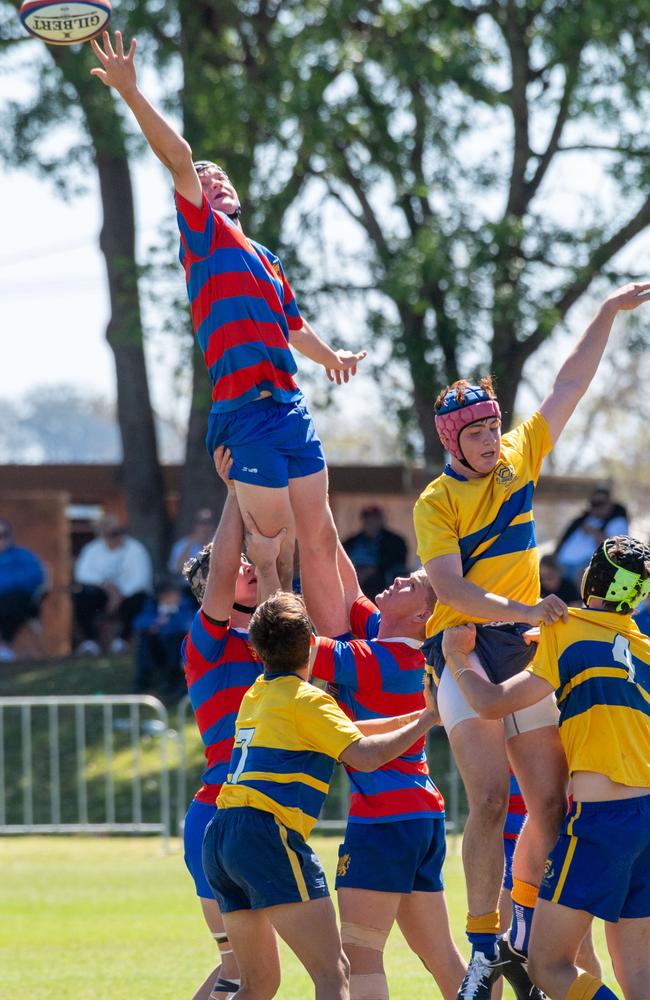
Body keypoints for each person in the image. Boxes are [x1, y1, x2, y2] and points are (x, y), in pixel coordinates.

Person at [412, 281, 650, 999]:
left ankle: (523, 930)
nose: (491, 439)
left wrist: (606, 311)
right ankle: (483, 944)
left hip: (523, 636)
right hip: (461, 646)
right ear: (453, 442)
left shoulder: (519, 456)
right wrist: (523, 607)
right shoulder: (436, 500)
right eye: (476, 433)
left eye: (493, 428)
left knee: (549, 807)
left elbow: (569, 382)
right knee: (487, 799)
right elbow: (449, 590)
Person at [90, 31, 366, 638]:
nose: (214, 182)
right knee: (269, 556)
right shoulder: (203, 236)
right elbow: (179, 156)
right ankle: (285, 676)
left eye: (224, 180)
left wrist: (330, 358)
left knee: (315, 542)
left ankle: (339, 656)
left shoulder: (264, 255)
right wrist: (132, 95)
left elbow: (293, 325)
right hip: (242, 413)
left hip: (289, 406)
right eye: (203, 180)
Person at [201, 588, 440, 1000]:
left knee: (257, 986)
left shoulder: (257, 694)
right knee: (334, 973)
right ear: (312, 645)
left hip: (221, 837)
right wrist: (429, 719)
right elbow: (365, 756)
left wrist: (424, 716)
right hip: (265, 835)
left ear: (258, 652)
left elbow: (345, 734)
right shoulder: (308, 701)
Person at [441, 535, 650, 1000]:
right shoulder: (644, 648)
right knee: (639, 976)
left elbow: (491, 703)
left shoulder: (566, 629)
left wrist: (457, 656)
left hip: (602, 822)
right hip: (647, 816)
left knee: (548, 966)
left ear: (590, 577)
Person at [308, 543, 466, 999]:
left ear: (421, 617)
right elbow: (348, 584)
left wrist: (268, 567)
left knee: (360, 953)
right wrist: (316, 514)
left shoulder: (376, 659)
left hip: (385, 817)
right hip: (420, 815)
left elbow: (291, 646)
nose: (397, 580)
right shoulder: (389, 640)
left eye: (411, 585)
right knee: (441, 956)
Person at [181, 448, 284, 1000]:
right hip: (218, 816)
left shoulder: (267, 645)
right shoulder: (206, 642)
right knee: (249, 976)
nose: (240, 564)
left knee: (239, 975)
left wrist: (267, 562)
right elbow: (222, 567)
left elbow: (282, 617)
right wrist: (233, 493)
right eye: (233, 565)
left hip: (247, 817)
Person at [72, 515, 153, 656]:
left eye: (118, 532)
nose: (115, 537)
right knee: (81, 597)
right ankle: (90, 641)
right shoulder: (92, 549)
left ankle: (122, 641)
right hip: (103, 593)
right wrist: (106, 586)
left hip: (128, 594)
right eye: (110, 533)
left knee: (138, 600)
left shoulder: (135, 549)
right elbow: (82, 574)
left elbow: (141, 579)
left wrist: (120, 595)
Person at [131, 581, 196, 696]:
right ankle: (143, 680)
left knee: (175, 639)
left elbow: (187, 624)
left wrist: (163, 626)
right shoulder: (152, 606)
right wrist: (154, 623)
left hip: (175, 649)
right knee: (145, 640)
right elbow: (138, 622)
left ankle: (172, 681)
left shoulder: (185, 605)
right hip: (157, 648)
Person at [556, 486, 629, 587]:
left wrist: (593, 531)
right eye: (593, 504)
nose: (596, 507)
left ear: (610, 503)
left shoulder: (617, 521)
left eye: (600, 503)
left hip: (583, 569)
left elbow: (613, 548)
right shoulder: (582, 520)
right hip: (560, 566)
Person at [0, 518, 46, 662]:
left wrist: (7, 584)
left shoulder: (23, 555)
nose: (1, 539)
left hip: (19, 600)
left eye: (3, 535)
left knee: (13, 600)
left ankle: (4, 645)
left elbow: (36, 576)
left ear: (10, 536)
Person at [342, 506, 408, 599]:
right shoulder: (352, 541)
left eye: (374, 518)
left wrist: (372, 570)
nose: (371, 522)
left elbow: (398, 561)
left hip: (380, 580)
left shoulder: (395, 541)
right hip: (353, 575)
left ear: (381, 520)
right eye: (368, 518)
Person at [168, 508, 216, 578]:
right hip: (186, 586)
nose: (205, 527)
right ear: (195, 525)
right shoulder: (182, 545)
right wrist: (190, 544)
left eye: (208, 522)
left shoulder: (218, 545)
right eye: (201, 523)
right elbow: (178, 569)